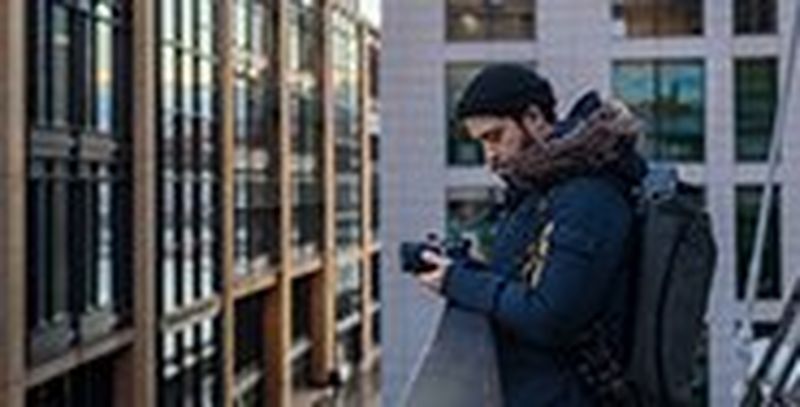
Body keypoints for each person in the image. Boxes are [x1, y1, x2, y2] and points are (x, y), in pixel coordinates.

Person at [415, 63, 647, 406]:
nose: (490, 157)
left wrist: (457, 283)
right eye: (481, 143)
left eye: (495, 136)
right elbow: (521, 285)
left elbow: (552, 317)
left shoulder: (587, 195)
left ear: (534, 118)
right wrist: (459, 270)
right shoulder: (544, 189)